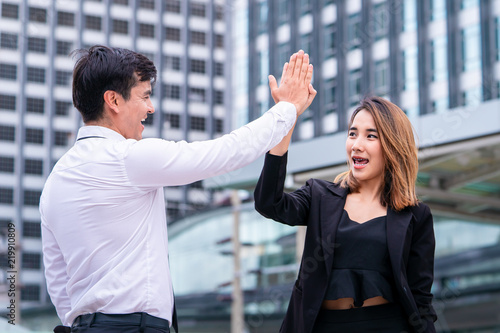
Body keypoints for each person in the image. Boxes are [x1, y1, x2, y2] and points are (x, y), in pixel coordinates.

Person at [40, 45, 316, 333]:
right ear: (113, 100)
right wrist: (288, 108)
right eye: (144, 96)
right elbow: (224, 153)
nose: (151, 107)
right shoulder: (128, 158)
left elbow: (58, 280)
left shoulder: (55, 182)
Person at [254, 96, 437, 333]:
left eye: (371, 136)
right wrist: (285, 121)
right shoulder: (319, 196)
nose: (356, 145)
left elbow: (421, 300)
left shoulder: (416, 215)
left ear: (393, 145)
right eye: (353, 134)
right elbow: (269, 203)